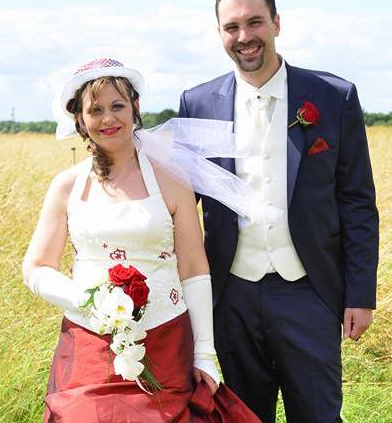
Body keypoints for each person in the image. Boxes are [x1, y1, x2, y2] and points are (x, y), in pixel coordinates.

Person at [22, 57, 259, 422]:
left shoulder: (172, 180)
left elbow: (194, 267)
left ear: (135, 107)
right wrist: (86, 300)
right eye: (95, 110)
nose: (108, 119)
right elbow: (36, 269)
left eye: (118, 106)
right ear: (80, 120)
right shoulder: (66, 185)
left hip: (166, 341)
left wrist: (205, 354)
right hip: (90, 344)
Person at [178, 0, 380, 421]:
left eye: (255, 23)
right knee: (243, 417)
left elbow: (357, 201)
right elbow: (181, 203)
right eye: (231, 27)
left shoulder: (333, 96)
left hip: (310, 290)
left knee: (319, 415)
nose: (244, 37)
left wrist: (360, 295)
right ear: (219, 34)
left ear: (276, 23)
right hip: (230, 295)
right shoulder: (196, 104)